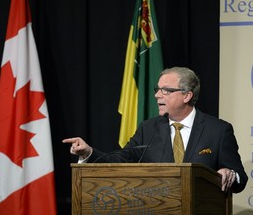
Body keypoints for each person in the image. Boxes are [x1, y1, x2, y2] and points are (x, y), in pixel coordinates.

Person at [62, 67, 248, 193]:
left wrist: (229, 174)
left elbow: (241, 178)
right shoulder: (148, 128)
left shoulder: (218, 130)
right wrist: (89, 152)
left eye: (166, 90)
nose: (157, 95)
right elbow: (119, 160)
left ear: (187, 95)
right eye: (157, 89)